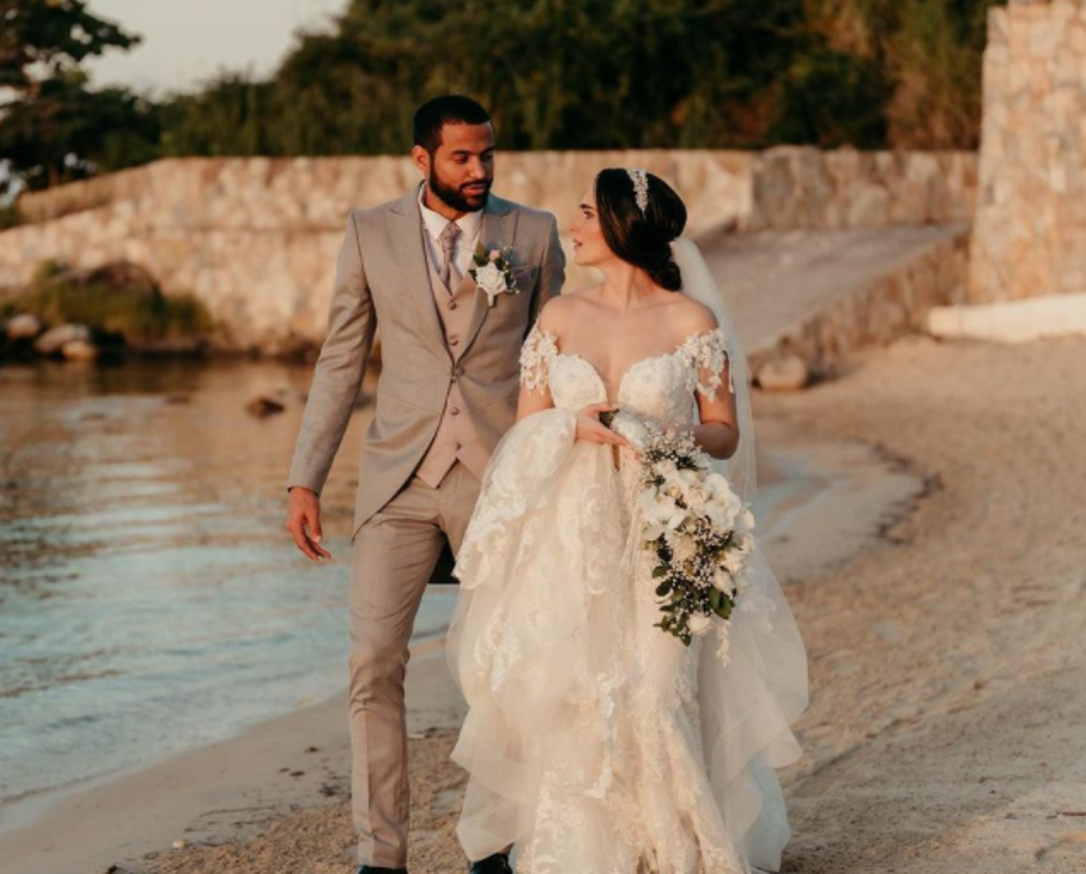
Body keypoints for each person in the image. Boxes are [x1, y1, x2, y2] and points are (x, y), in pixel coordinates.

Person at [446, 168, 809, 874]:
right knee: (583, 695)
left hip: (666, 528)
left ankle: (680, 851)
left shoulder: (690, 322)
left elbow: (724, 434)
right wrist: (570, 426)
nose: (573, 226)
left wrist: (659, 432)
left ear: (622, 224)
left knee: (657, 691)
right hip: (574, 534)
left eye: (586, 213)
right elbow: (524, 431)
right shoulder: (558, 317)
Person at [284, 94, 566, 874]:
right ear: (422, 159)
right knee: (373, 663)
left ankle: (493, 846)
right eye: (461, 157)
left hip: (500, 478)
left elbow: (556, 358)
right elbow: (341, 360)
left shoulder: (533, 233)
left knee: (500, 668)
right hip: (398, 479)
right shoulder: (368, 232)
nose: (479, 170)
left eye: (487, 155)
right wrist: (304, 480)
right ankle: (381, 856)